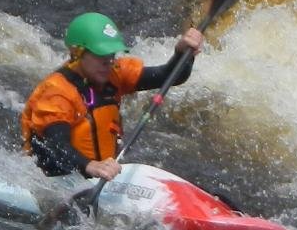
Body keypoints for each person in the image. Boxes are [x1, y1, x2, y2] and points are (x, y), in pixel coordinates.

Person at [21, 12, 204, 180]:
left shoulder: (114, 73)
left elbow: (170, 76)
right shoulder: (57, 92)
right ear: (77, 53)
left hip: (100, 175)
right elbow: (56, 146)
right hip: (56, 178)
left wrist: (183, 53)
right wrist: (90, 166)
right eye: (101, 55)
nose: (108, 62)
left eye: (111, 55)